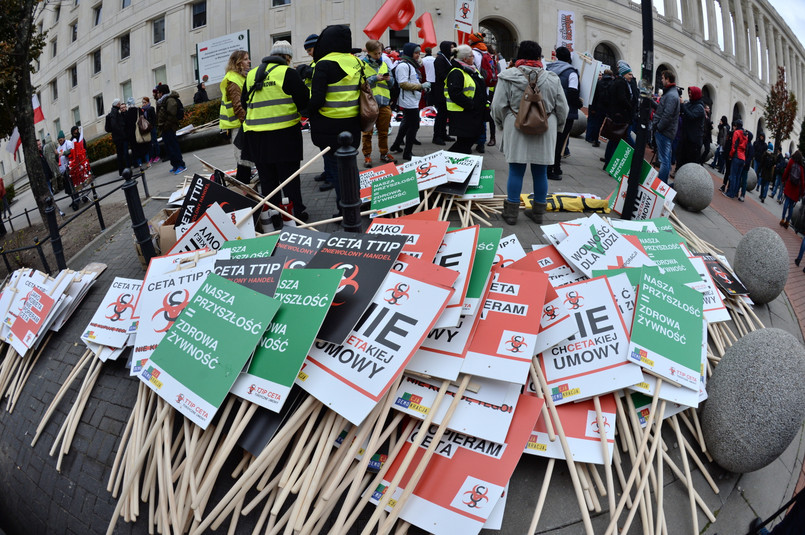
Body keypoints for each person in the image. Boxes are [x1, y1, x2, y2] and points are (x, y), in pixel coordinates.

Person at [491, 40, 568, 225]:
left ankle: (511, 214)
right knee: (541, 172)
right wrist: (557, 128)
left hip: (515, 125)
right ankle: (538, 213)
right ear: (539, 56)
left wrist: (501, 125)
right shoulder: (552, 78)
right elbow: (562, 108)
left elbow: (497, 106)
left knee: (516, 171)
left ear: (520, 55)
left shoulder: (507, 76)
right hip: (545, 127)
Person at [242, 40, 310, 227]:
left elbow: (242, 103)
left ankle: (274, 216)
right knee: (289, 179)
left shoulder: (252, 74)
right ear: (287, 57)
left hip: (256, 137)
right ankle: (295, 213)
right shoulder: (288, 73)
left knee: (267, 180)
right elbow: (304, 100)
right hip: (284, 135)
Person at [308, 24, 362, 210]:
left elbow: (316, 100)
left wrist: (305, 110)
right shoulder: (355, 61)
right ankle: (355, 200)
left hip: (329, 126)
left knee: (337, 170)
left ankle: (345, 209)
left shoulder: (323, 64)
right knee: (351, 166)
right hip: (353, 123)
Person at [389, 42, 429, 161]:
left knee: (406, 123)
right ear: (409, 53)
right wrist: (420, 86)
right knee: (414, 125)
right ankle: (407, 152)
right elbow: (403, 84)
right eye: (416, 53)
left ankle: (396, 145)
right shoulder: (403, 65)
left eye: (418, 53)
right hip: (408, 100)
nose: (418, 55)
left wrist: (421, 86)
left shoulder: (410, 64)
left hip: (411, 99)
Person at [444, 45, 487, 154]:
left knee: (468, 141)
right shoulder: (456, 72)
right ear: (465, 59)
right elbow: (455, 93)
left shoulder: (471, 69)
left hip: (473, 113)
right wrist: (471, 105)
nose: (474, 58)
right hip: (463, 113)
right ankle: (448, 161)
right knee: (464, 142)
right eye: (472, 56)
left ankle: (460, 163)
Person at [545, 46, 580, 181]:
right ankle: (553, 168)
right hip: (565, 111)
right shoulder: (571, 72)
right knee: (560, 142)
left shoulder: (549, 68)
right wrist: (578, 104)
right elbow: (572, 92)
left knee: (549, 140)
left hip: (547, 109)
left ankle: (550, 167)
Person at [361, 40, 395, 168]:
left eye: (380, 53)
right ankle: (367, 156)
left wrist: (389, 79)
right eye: (375, 54)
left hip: (384, 102)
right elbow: (361, 84)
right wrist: (375, 78)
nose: (379, 56)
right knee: (367, 132)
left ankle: (384, 153)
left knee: (383, 131)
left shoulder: (384, 63)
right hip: (369, 104)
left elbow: (392, 83)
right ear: (368, 52)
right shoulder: (362, 64)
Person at [219, 50, 252, 181]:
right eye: (245, 59)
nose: (249, 61)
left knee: (245, 160)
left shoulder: (240, 76)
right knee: (243, 160)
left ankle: (244, 189)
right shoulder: (233, 79)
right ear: (238, 63)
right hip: (239, 125)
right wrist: (248, 122)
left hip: (241, 124)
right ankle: (244, 190)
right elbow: (238, 106)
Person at [603, 61, 636, 168]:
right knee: (617, 141)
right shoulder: (621, 83)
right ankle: (611, 164)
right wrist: (630, 107)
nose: (631, 76)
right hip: (620, 116)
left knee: (613, 140)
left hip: (616, 115)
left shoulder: (617, 82)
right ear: (624, 74)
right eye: (629, 74)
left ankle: (608, 163)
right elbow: (622, 99)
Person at [651, 70, 680, 183]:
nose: (661, 80)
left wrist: (659, 127)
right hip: (665, 131)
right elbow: (662, 109)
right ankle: (662, 183)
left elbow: (667, 115)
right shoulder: (671, 93)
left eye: (663, 78)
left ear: (668, 79)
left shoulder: (672, 95)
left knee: (664, 160)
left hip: (664, 132)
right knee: (665, 159)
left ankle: (660, 184)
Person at [156, 83, 187, 175]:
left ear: (161, 93)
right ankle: (175, 165)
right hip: (165, 128)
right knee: (169, 148)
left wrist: (166, 125)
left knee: (173, 147)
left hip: (169, 128)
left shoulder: (169, 100)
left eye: (158, 92)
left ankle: (181, 165)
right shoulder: (163, 101)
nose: (157, 94)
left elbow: (172, 115)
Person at [675, 85, 705, 172]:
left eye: (691, 92)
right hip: (685, 138)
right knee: (680, 160)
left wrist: (683, 105)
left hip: (693, 143)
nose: (689, 94)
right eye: (689, 92)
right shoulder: (690, 104)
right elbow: (683, 112)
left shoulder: (699, 107)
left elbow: (691, 116)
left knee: (689, 166)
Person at [432, 40, 456, 146]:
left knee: (444, 114)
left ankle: (443, 134)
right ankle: (437, 136)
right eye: (451, 47)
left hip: (445, 90)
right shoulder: (440, 59)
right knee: (441, 115)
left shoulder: (446, 58)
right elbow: (441, 75)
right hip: (440, 90)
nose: (452, 50)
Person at [779, 150, 804, 229]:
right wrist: (802, 192)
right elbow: (803, 181)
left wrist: (783, 180)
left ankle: (782, 218)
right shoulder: (801, 167)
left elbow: (786, 172)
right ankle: (787, 221)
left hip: (789, 185)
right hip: (795, 189)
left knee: (786, 202)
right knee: (791, 206)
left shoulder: (791, 162)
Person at [587, 69, 613, 148]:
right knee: (607, 124)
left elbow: (595, 96)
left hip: (599, 106)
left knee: (597, 124)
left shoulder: (599, 83)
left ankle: (595, 139)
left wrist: (593, 107)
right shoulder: (612, 83)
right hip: (607, 107)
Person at [104, 99, 127, 176]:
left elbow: (109, 128)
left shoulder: (112, 113)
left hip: (117, 137)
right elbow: (115, 126)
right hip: (119, 138)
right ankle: (123, 171)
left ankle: (123, 170)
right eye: (119, 104)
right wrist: (121, 132)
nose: (120, 105)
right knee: (121, 155)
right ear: (117, 104)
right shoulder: (115, 113)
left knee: (120, 154)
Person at [725, 119, 747, 198]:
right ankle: (734, 193)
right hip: (743, 157)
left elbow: (734, 146)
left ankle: (730, 193)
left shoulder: (736, 133)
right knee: (738, 177)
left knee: (733, 175)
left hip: (737, 156)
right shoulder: (745, 135)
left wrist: (730, 155)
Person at [140, 96, 158, 164]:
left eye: (145, 102)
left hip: (151, 128)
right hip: (146, 129)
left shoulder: (151, 108)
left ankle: (157, 155)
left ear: (148, 102)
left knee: (154, 141)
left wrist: (152, 126)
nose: (143, 104)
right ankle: (151, 157)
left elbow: (154, 119)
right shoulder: (142, 110)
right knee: (149, 143)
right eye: (143, 102)